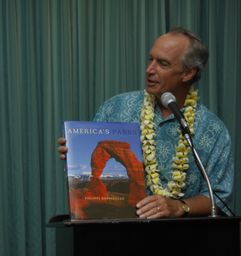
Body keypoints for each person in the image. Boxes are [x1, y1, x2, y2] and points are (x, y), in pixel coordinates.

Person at [58, 27, 234, 219]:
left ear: (188, 73)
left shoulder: (212, 130)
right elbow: (90, 159)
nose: (150, 69)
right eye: (151, 59)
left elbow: (218, 195)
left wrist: (179, 207)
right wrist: (74, 149)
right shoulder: (115, 108)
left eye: (163, 63)